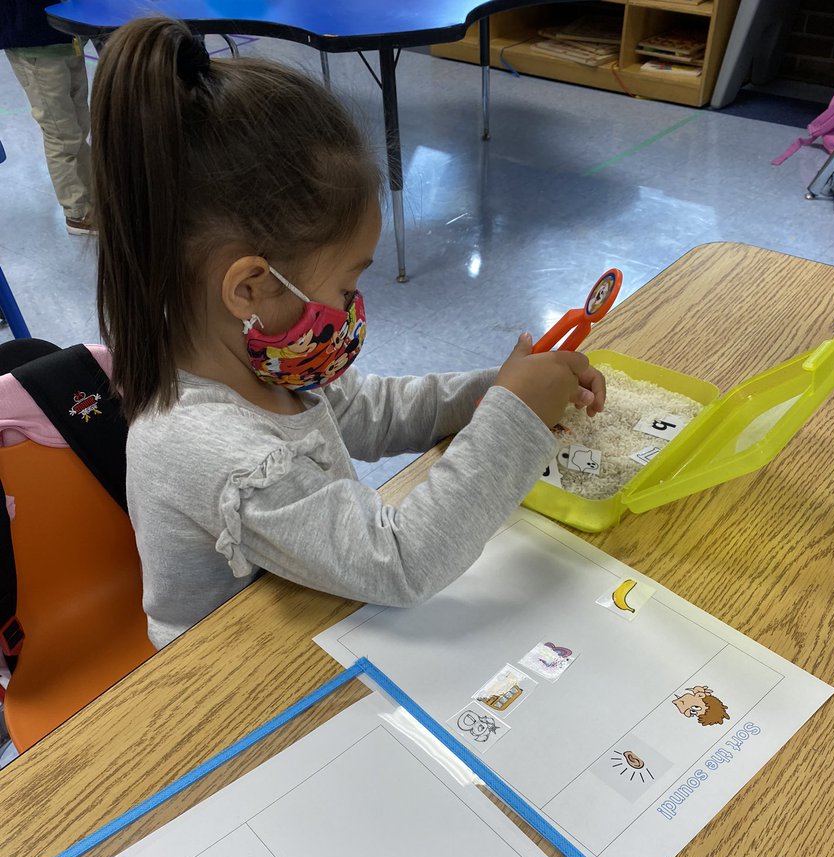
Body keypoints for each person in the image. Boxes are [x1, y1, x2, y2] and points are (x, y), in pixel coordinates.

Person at [91, 18, 606, 650]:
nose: (351, 307)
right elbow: (399, 559)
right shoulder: (211, 447)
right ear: (249, 288)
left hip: (309, 618)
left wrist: (497, 389)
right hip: (235, 676)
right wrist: (515, 417)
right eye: (343, 288)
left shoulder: (263, 358)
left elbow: (365, 412)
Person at [1, 2, 93, 234]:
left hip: (69, 36)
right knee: (61, 133)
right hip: (33, 41)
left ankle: (91, 196)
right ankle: (77, 212)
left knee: (80, 126)